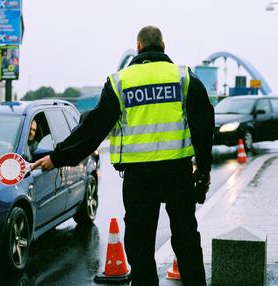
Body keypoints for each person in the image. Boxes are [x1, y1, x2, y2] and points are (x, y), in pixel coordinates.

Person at [31, 26, 214, 286]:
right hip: (178, 173)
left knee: (140, 246)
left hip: (139, 178)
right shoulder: (184, 77)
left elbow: (93, 128)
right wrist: (203, 170)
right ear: (164, 45)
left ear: (138, 47)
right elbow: (204, 125)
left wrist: (57, 157)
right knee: (186, 241)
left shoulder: (120, 82)